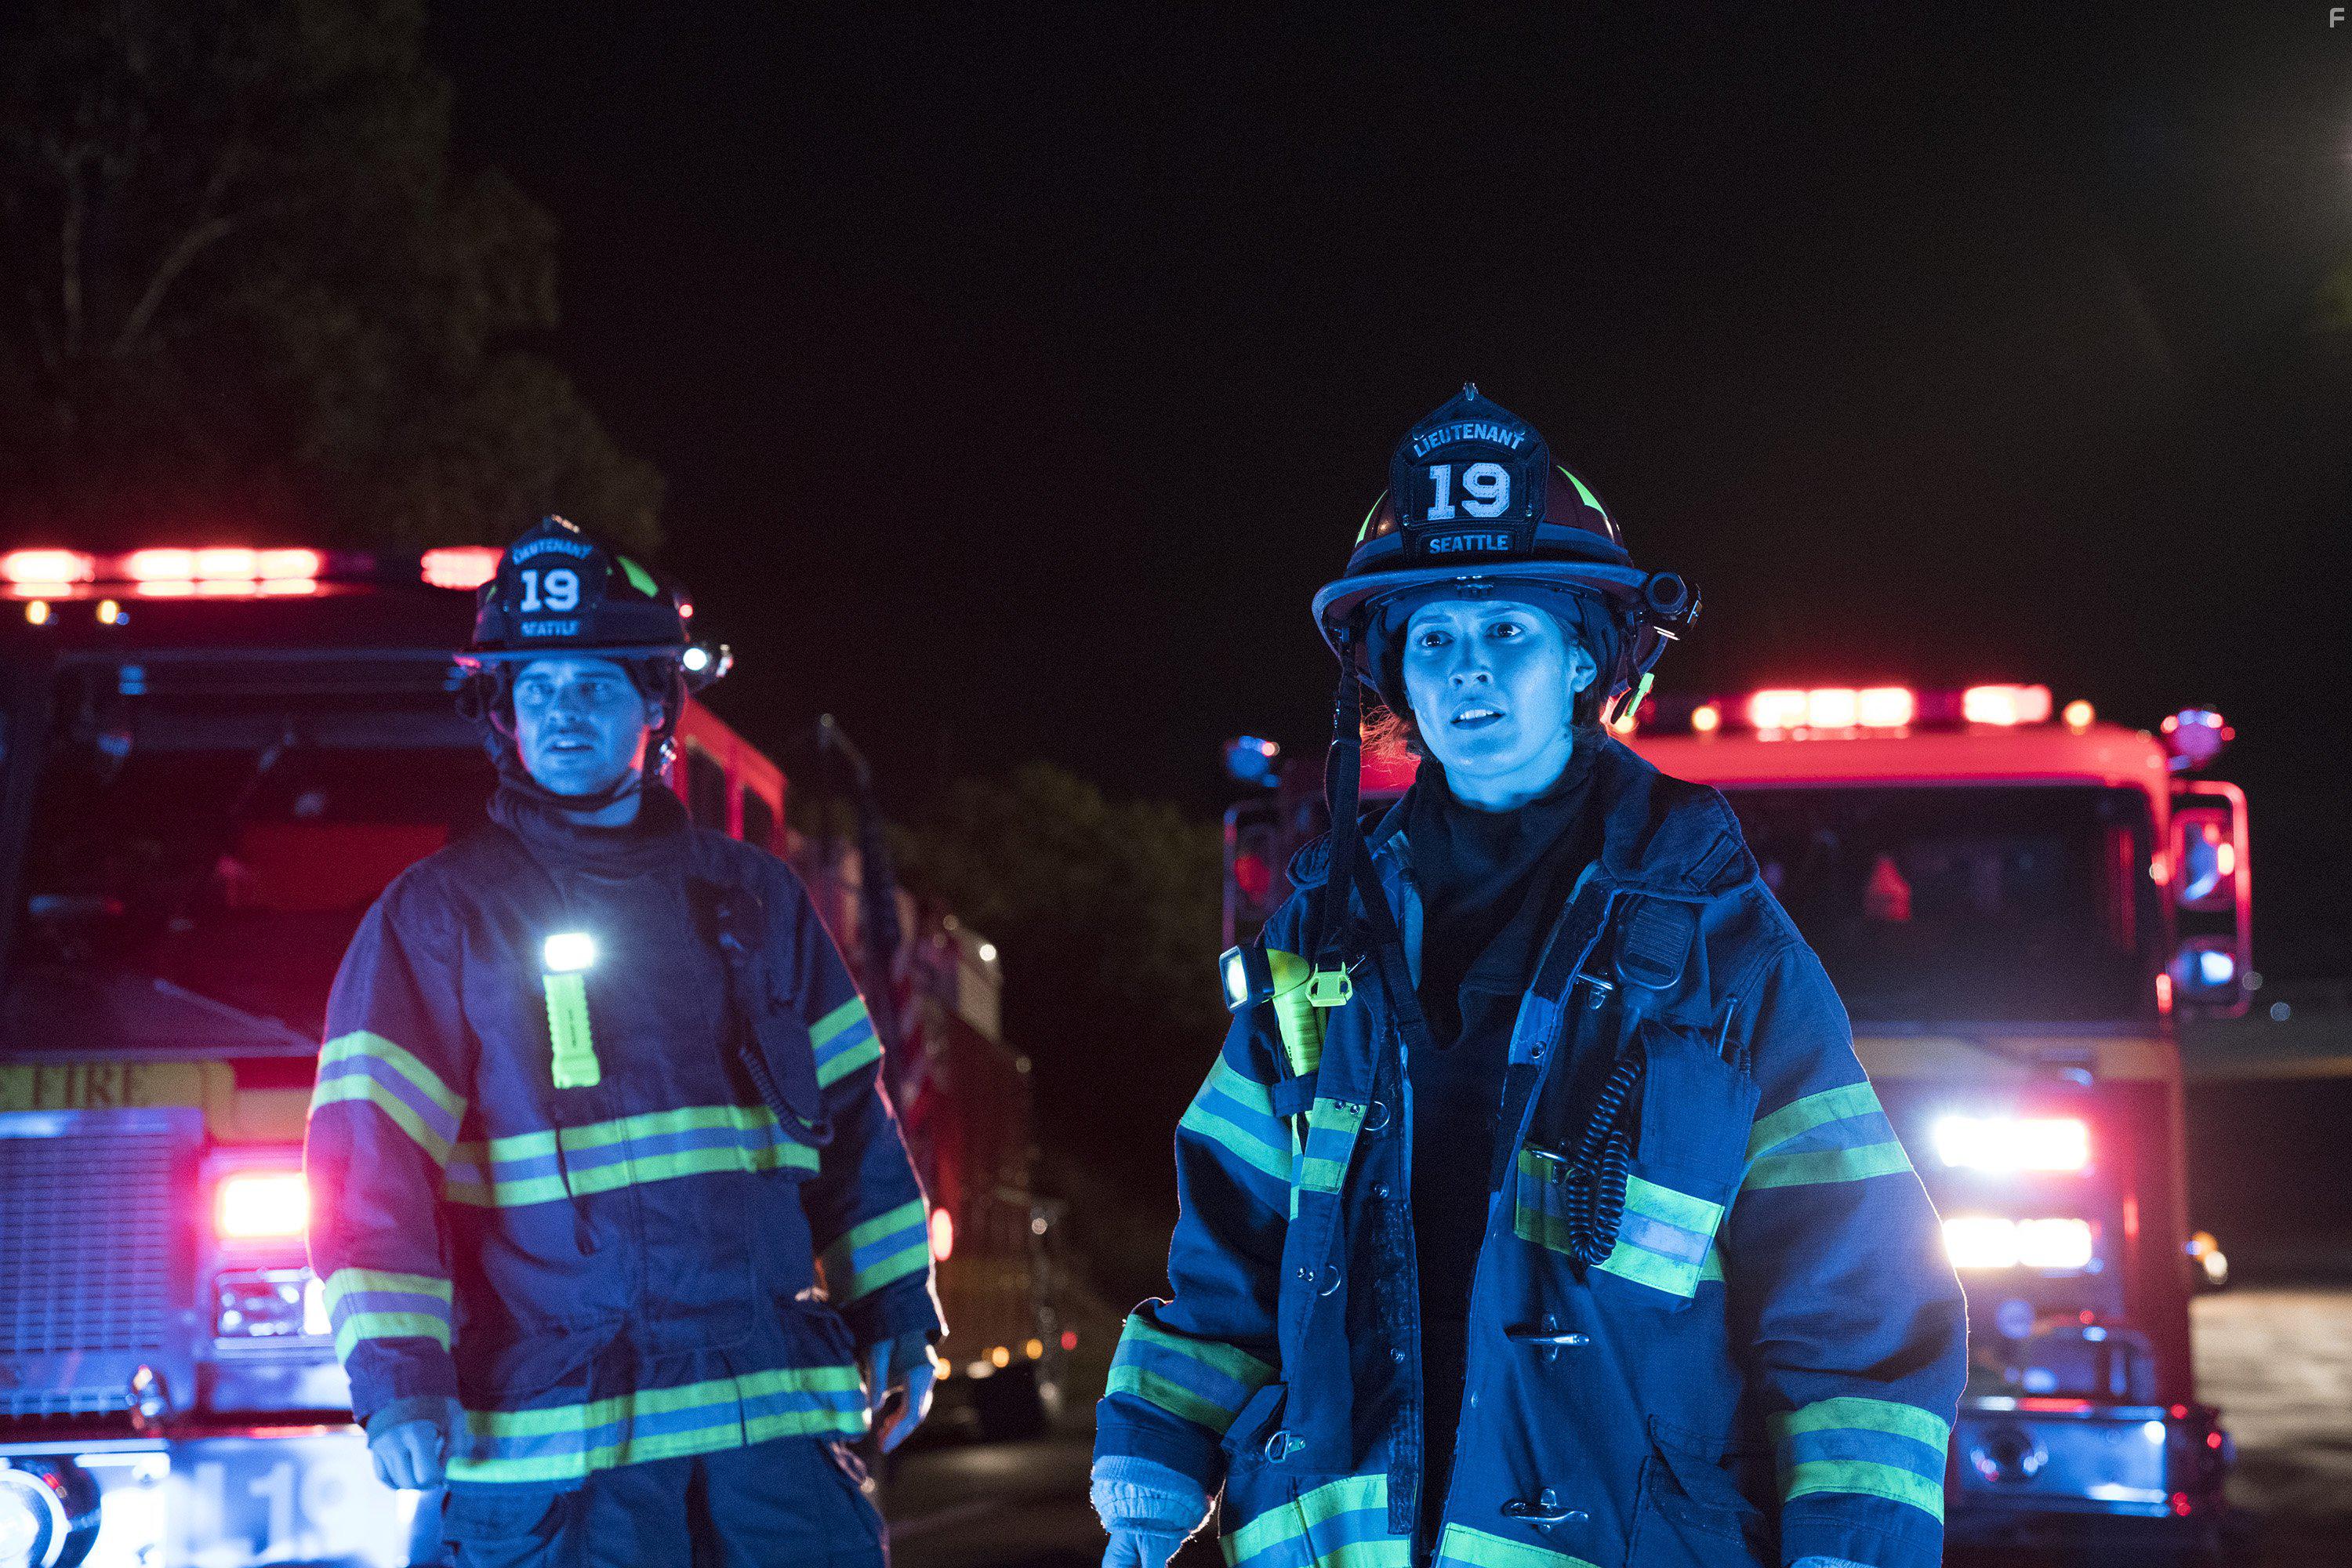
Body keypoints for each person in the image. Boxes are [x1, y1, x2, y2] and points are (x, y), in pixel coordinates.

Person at [1091, 389, 1966, 1568]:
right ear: (1394, 673)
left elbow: (1857, 1301)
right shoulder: (1323, 935)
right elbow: (1233, 1237)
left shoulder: (1727, 952)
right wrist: (1153, 1460)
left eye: (1509, 631)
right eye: (1433, 640)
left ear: (1588, 658)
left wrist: (1853, 1552)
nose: (1468, 674)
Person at [305, 517, 940, 1568]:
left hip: (772, 1460)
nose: (563, 715)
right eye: (537, 690)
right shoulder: (438, 920)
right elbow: (370, 1174)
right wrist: (401, 1381)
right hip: (563, 1464)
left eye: (594, 688)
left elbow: (857, 1139)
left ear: (655, 706)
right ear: (500, 714)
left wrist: (899, 1315)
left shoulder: (755, 901)